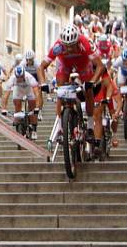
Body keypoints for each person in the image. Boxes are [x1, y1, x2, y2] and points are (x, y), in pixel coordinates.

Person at [38, 24, 105, 154]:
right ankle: (60, 127)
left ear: (77, 41)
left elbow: (100, 66)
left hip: (83, 63)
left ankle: (90, 125)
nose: (69, 48)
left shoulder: (85, 43)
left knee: (89, 90)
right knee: (60, 89)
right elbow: (41, 67)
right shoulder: (58, 47)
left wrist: (91, 82)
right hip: (64, 64)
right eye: (66, 45)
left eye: (72, 45)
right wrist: (42, 83)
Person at [0, 65, 40, 139]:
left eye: (21, 77)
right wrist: (3, 108)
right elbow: (5, 95)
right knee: (17, 103)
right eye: (18, 77)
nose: (19, 79)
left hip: (29, 90)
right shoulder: (12, 79)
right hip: (18, 90)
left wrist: (37, 107)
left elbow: (37, 93)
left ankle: (34, 129)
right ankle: (18, 125)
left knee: (32, 106)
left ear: (24, 74)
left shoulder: (30, 77)